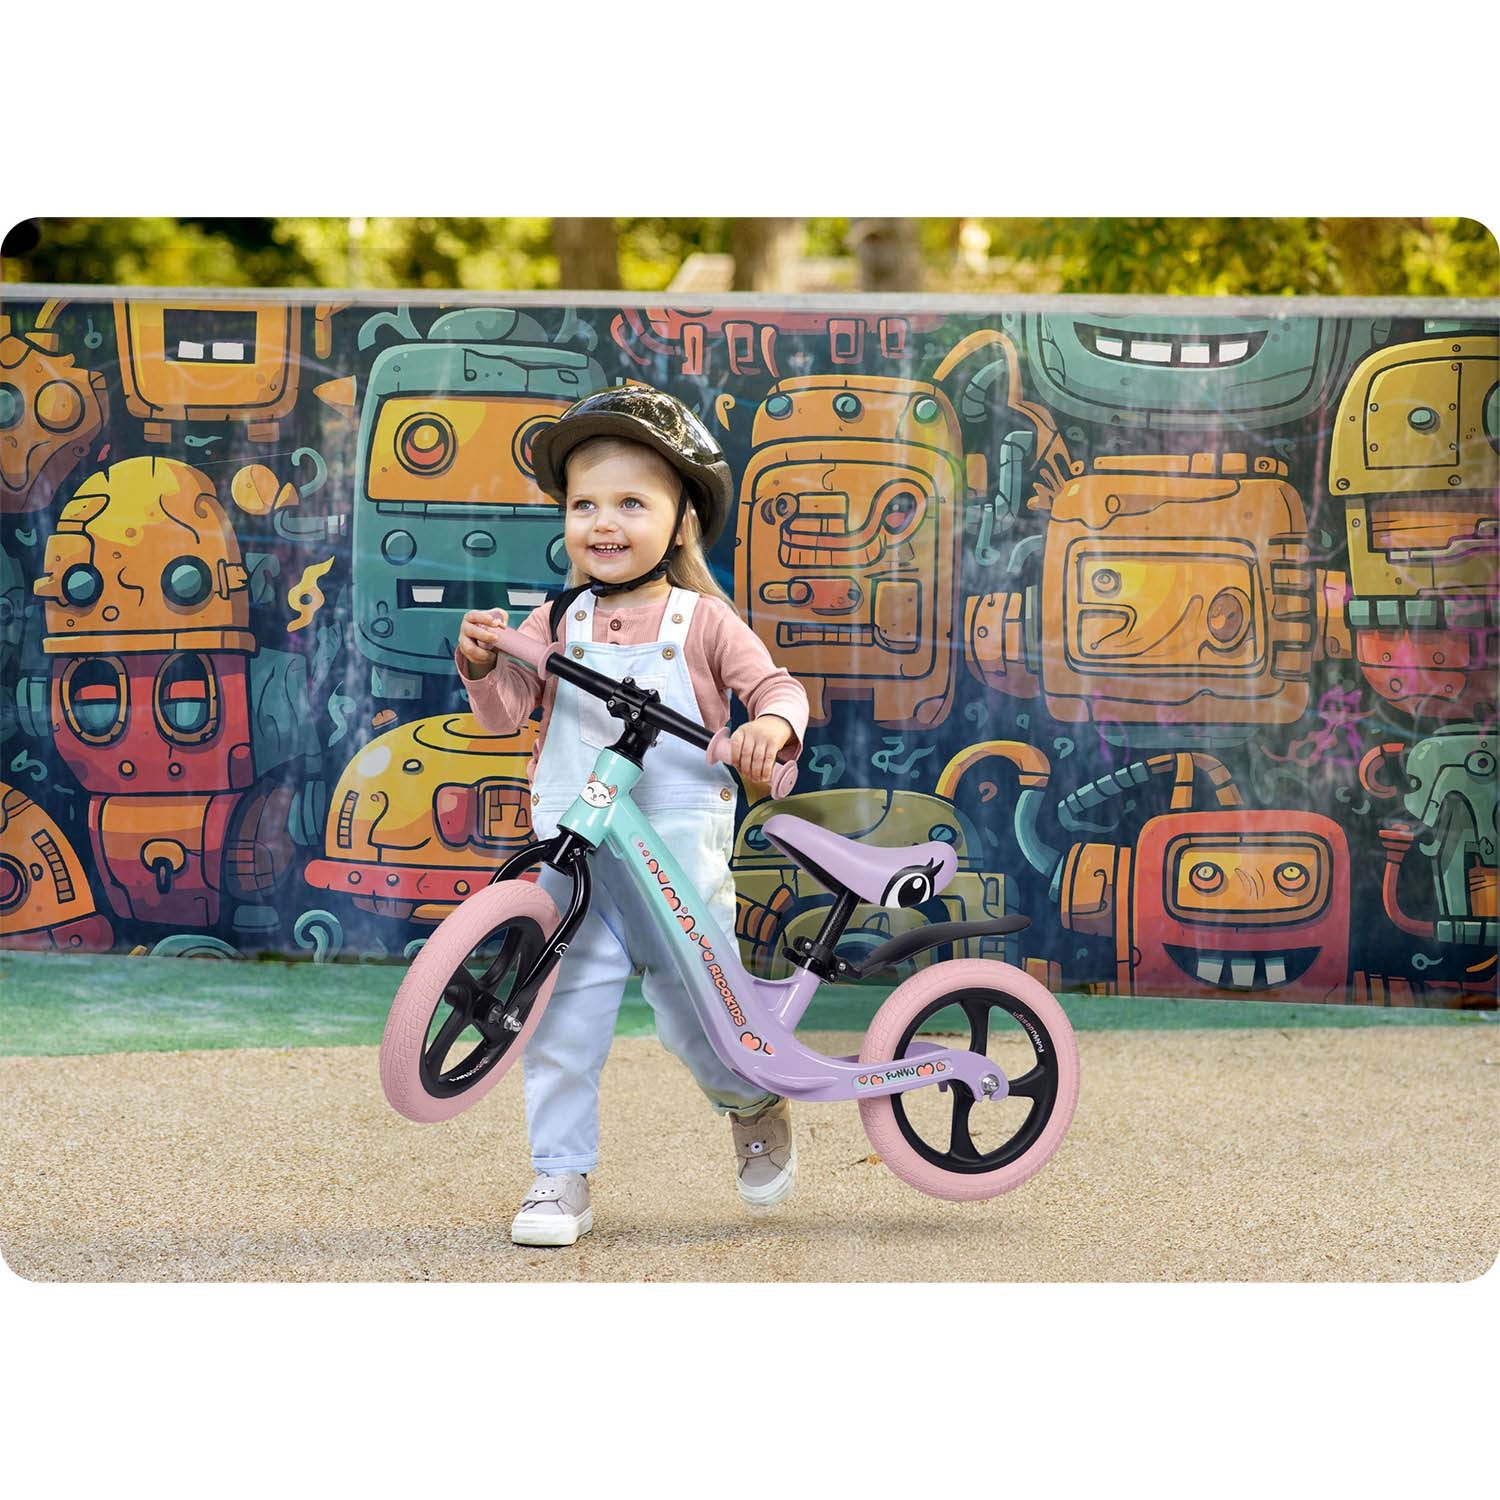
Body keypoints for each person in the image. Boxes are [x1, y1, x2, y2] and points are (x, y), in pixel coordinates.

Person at [454, 384, 809, 1247]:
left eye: (630, 504)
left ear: (682, 521)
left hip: (675, 854)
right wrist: (482, 665)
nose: (603, 523)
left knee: (700, 1019)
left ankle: (749, 1100)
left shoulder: (703, 621)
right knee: (559, 1018)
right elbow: (505, 716)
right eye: (584, 505)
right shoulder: (556, 619)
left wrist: (768, 728)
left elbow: (776, 689)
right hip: (574, 854)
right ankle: (559, 1173)